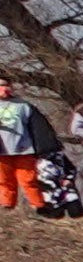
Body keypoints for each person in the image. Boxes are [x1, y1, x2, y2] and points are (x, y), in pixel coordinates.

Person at [0, 83, 38, 214]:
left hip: (24, 149)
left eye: (6, 85)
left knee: (29, 180)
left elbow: (36, 127)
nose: (4, 89)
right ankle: (7, 207)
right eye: (0, 85)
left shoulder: (23, 105)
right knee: (4, 181)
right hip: (2, 151)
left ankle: (38, 207)